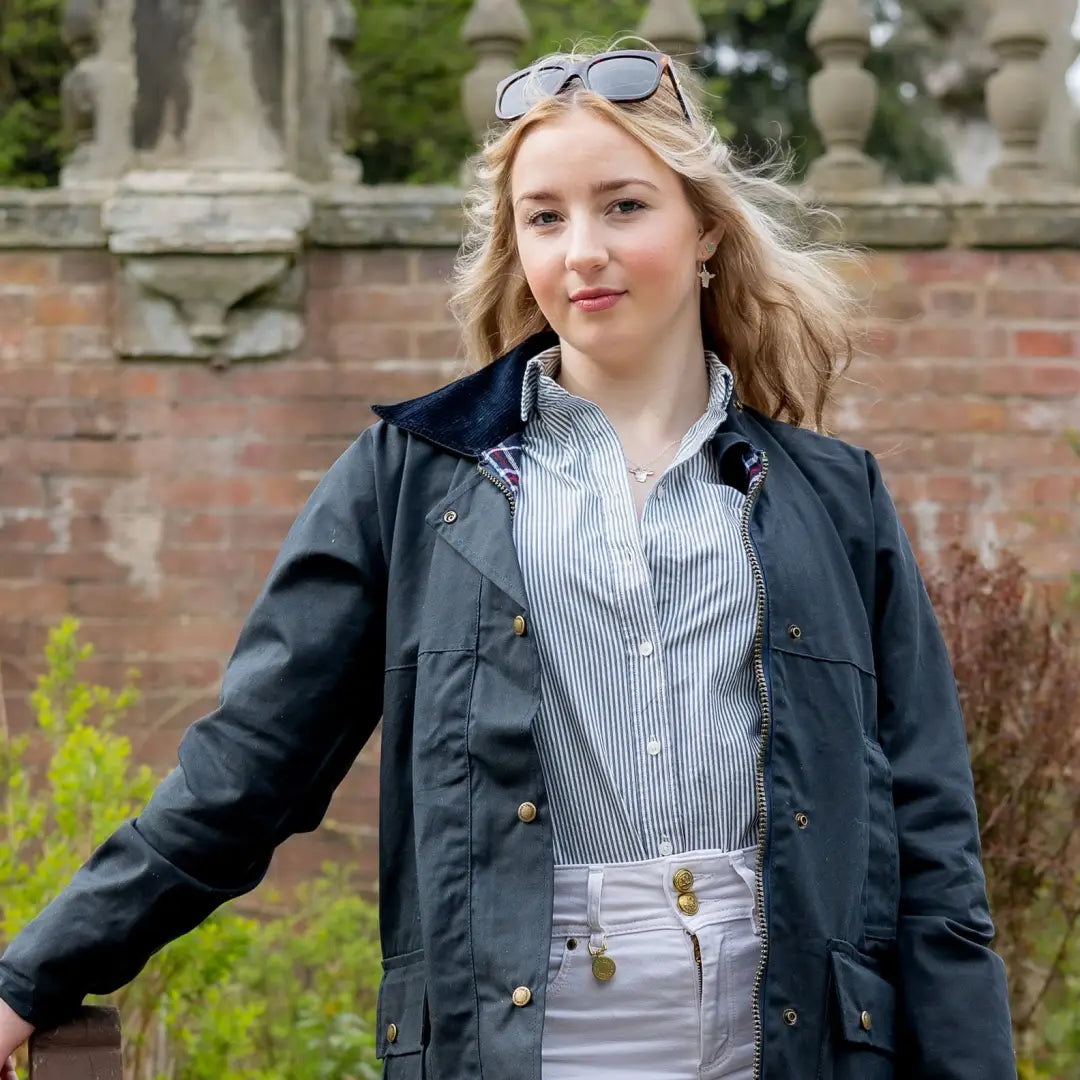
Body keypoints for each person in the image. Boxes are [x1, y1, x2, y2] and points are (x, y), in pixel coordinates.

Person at [0, 40, 1016, 1080]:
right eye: (545, 216)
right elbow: (243, 775)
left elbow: (934, 847)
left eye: (624, 206)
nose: (582, 250)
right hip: (528, 1036)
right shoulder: (410, 480)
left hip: (788, 1036)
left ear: (705, 224)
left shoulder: (833, 500)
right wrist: (25, 980)